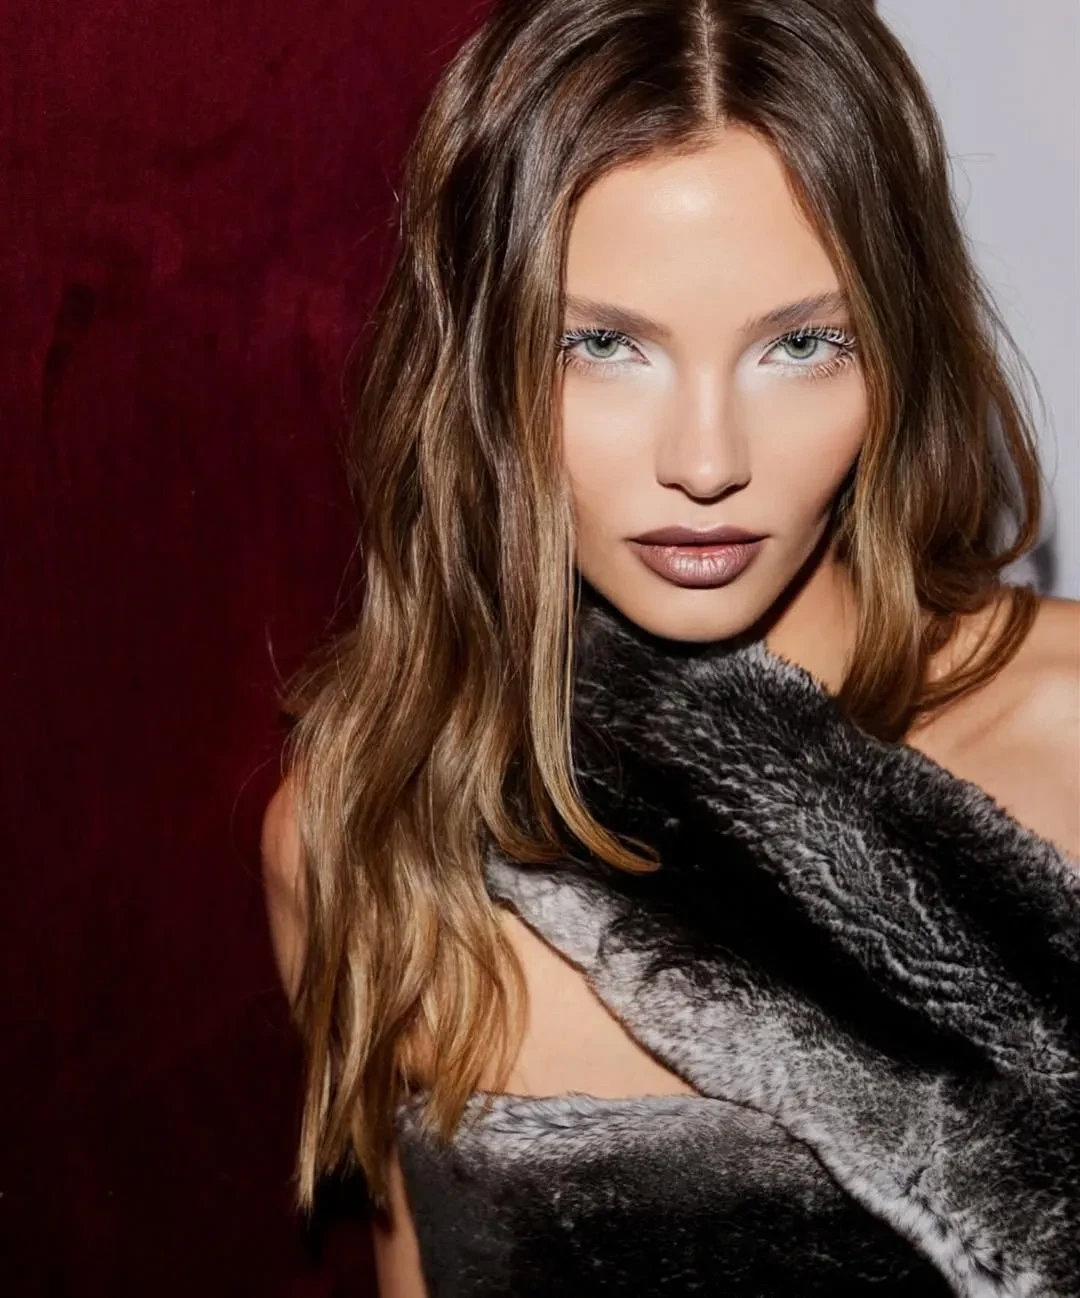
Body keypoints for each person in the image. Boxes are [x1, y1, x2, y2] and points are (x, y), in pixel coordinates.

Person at [260, 0, 1080, 1293]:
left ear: (898, 349)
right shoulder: (367, 831)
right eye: (603, 344)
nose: (706, 462)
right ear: (477, 362)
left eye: (800, 344)